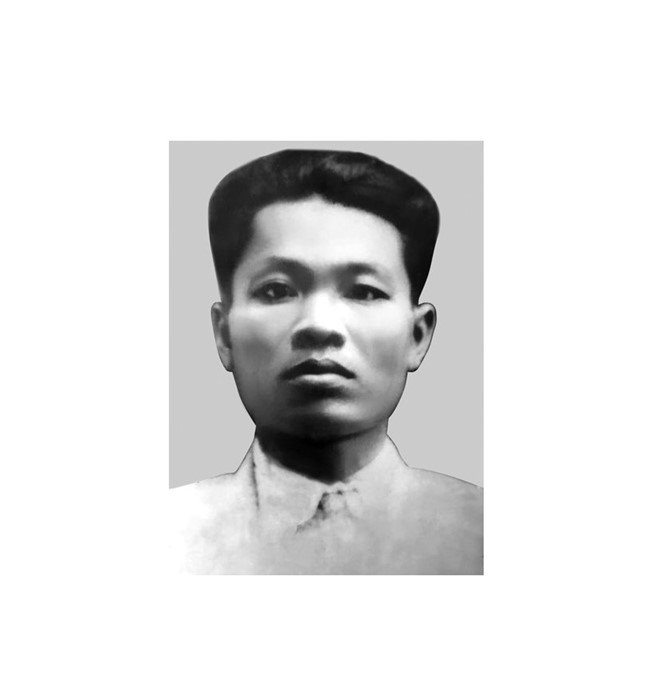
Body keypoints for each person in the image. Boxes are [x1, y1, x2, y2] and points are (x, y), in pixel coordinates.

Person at [170, 149, 483, 574]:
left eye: (364, 291)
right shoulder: (166, 537)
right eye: (277, 290)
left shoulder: (480, 535)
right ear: (224, 335)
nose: (319, 326)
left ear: (417, 336)